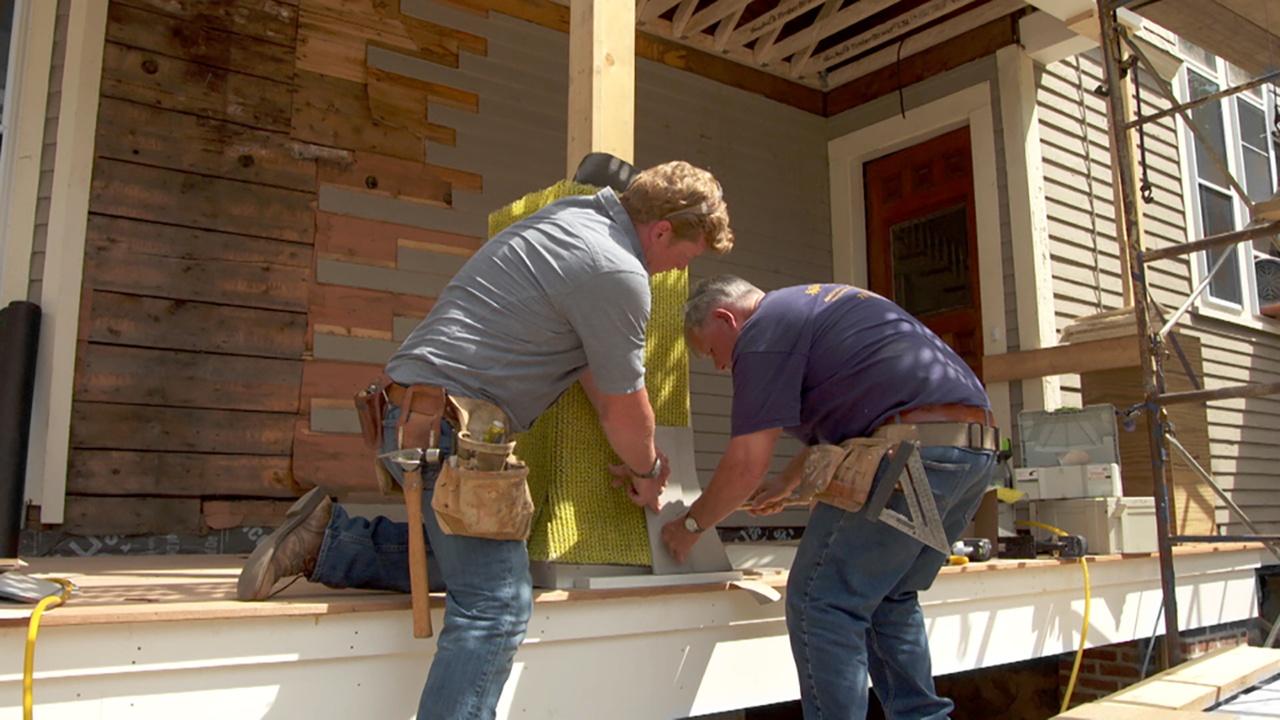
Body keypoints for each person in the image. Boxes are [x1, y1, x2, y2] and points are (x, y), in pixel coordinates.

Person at [237, 160, 733, 720]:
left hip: (407, 416)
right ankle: (330, 543)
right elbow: (626, 407)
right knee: (497, 606)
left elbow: (596, 370)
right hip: (451, 435)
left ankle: (328, 540)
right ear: (662, 230)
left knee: (486, 564)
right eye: (684, 258)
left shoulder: (571, 218)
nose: (675, 271)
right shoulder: (619, 272)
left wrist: (628, 443)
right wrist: (647, 474)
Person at [663, 275, 997, 720]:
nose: (720, 367)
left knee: (821, 602)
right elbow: (856, 413)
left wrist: (691, 526)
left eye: (711, 351)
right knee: (890, 599)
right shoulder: (811, 307)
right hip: (970, 452)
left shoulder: (763, 331)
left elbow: (745, 463)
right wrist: (787, 482)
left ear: (727, 319)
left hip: (912, 454)